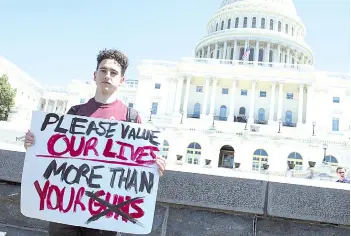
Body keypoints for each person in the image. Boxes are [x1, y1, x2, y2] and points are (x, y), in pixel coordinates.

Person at [24, 49, 166, 236]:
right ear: (95, 75)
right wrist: (34, 144)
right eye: (103, 70)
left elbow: (137, 168)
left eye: (114, 73)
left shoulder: (131, 118)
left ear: (122, 80)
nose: (107, 75)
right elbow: (54, 153)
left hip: (104, 217)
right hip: (65, 211)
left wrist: (154, 167)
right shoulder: (75, 112)